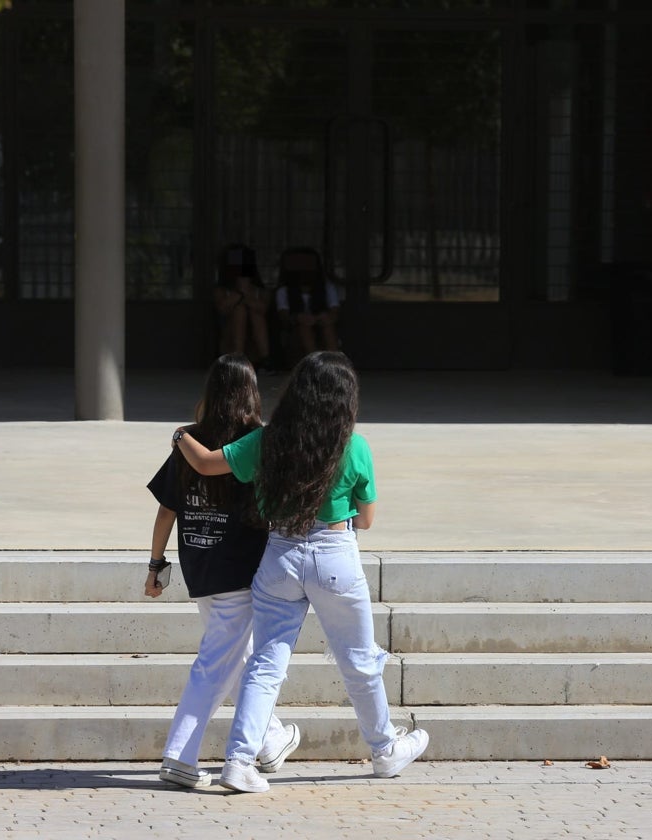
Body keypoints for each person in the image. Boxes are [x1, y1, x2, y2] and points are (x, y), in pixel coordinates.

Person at [174, 350, 428, 794]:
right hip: (335, 556)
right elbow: (366, 520)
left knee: (266, 663)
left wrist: (180, 435)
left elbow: (207, 462)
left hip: (279, 557)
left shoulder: (269, 441)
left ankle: (238, 761)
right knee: (358, 660)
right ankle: (385, 749)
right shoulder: (355, 447)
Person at [144, 353, 300, 789]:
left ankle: (268, 741)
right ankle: (179, 757)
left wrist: (156, 565)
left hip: (200, 568)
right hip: (240, 572)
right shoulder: (255, 441)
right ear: (251, 393)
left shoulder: (188, 443)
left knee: (236, 656)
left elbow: (166, 511)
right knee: (217, 663)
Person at [274, 247, 340, 359]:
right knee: (304, 327)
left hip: (321, 325)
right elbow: (283, 316)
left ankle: (335, 362)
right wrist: (298, 318)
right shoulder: (283, 291)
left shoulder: (327, 288)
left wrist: (324, 317)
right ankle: (314, 363)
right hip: (296, 331)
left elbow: (335, 312)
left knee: (328, 326)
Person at [213, 243, 272, 369]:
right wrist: (239, 294)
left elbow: (264, 309)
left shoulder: (259, 291)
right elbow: (222, 309)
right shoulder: (222, 290)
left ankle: (266, 359)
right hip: (230, 341)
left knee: (255, 313)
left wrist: (246, 295)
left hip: (254, 341)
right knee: (240, 310)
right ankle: (238, 358)